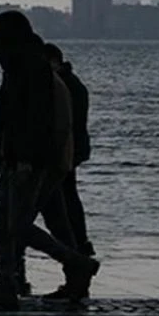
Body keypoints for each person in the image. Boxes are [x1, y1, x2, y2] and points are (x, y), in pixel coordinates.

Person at [0, 11, 99, 307]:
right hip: (21, 160)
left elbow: (31, 121)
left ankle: (76, 263)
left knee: (16, 225)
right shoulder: (25, 67)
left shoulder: (29, 70)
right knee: (7, 222)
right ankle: (6, 281)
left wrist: (24, 160)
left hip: (27, 162)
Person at [45, 43, 93, 257]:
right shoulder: (73, 84)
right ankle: (79, 243)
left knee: (59, 202)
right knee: (68, 198)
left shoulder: (60, 85)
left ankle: (75, 247)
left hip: (63, 150)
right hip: (71, 149)